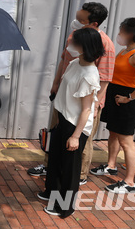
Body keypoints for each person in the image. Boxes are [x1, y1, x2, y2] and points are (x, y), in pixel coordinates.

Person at [27, 2, 115, 186]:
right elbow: (63, 61)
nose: (76, 22)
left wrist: (95, 105)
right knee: (56, 135)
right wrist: (56, 83)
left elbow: (105, 78)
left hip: (84, 103)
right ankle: (49, 165)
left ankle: (79, 174)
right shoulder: (75, 38)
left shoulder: (105, 44)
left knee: (80, 140)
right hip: (64, 98)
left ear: (94, 23)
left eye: (81, 20)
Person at [39, 27, 104, 218]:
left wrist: (76, 136)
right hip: (63, 119)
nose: (70, 45)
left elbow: (86, 109)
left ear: (85, 46)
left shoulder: (90, 75)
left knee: (69, 168)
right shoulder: (75, 63)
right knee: (56, 161)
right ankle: (51, 193)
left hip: (76, 125)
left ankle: (65, 207)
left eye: (74, 42)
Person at [90, 18, 135, 193]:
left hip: (126, 102)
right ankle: (111, 165)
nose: (119, 34)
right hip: (115, 98)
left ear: (131, 34)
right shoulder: (125, 51)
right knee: (114, 134)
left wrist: (129, 98)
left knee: (126, 142)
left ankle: (129, 182)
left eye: (122, 31)